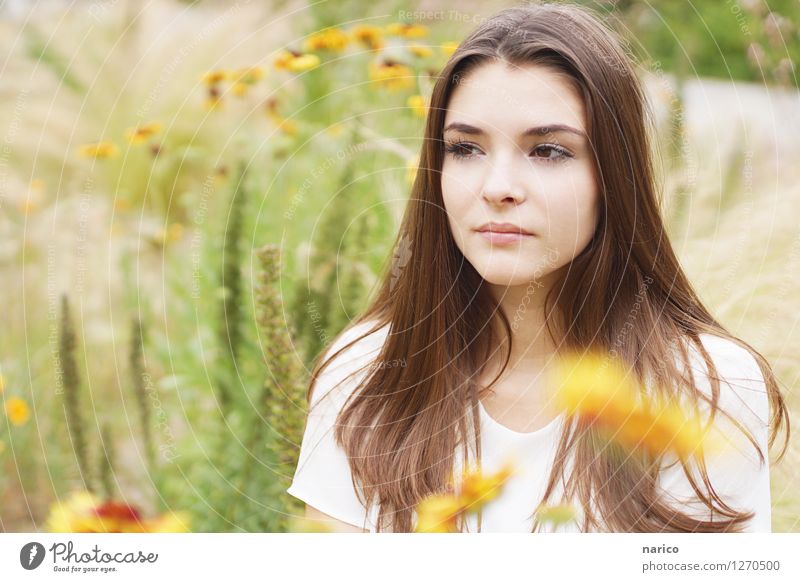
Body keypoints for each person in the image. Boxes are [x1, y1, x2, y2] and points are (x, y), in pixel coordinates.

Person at [286, 3, 790, 533]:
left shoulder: (707, 387)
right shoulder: (366, 373)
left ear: (613, 177)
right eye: (465, 148)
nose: (497, 186)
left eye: (547, 150)